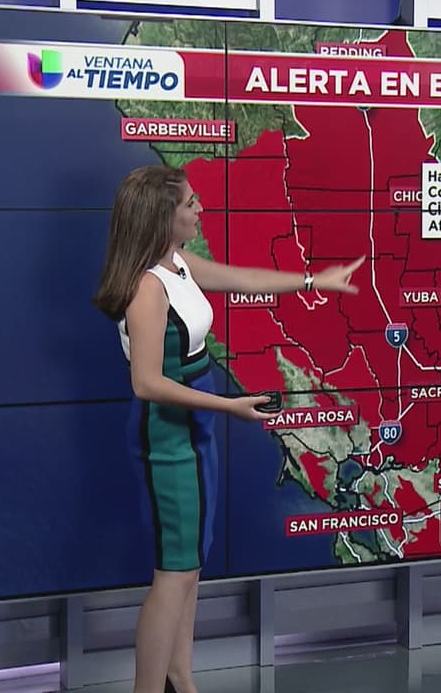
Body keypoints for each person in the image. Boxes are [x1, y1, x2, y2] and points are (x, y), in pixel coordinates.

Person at [93, 164, 364, 693]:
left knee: (190, 564)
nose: (200, 210)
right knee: (174, 572)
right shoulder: (147, 289)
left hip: (195, 426)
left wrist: (315, 281)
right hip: (168, 435)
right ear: (162, 216)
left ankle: (180, 677)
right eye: (189, 204)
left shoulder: (177, 264)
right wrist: (228, 406)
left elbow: (243, 279)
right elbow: (147, 382)